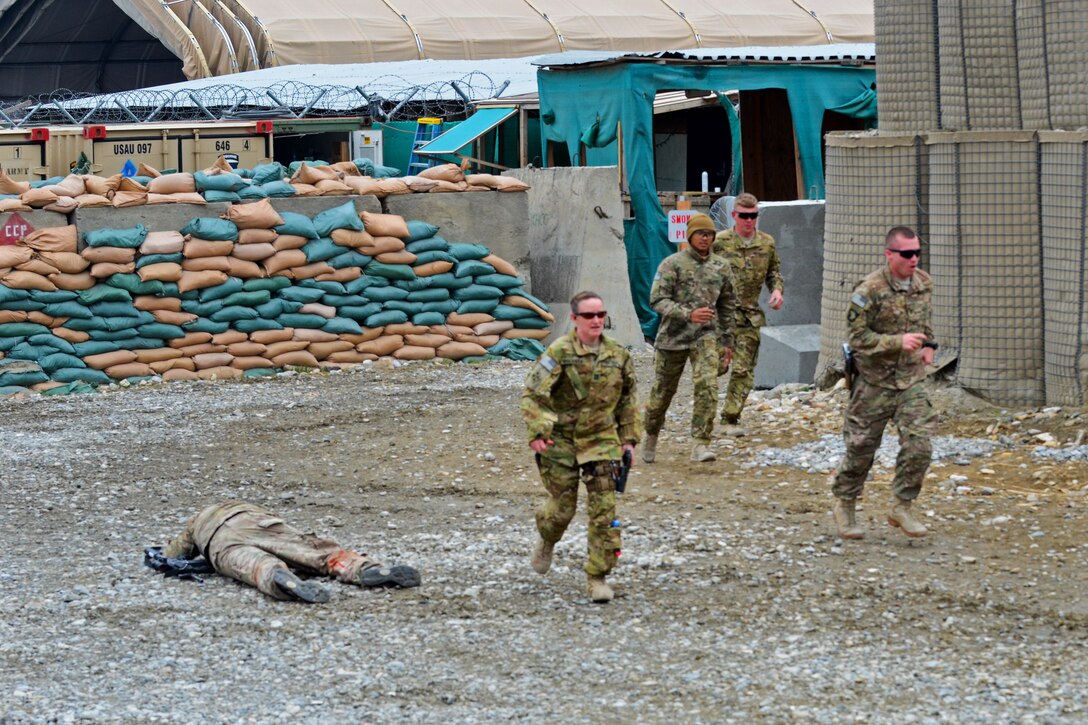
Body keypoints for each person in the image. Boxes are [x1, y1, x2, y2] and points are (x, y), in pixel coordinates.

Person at [521, 290, 641, 603]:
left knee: (605, 513)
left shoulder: (618, 355)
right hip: (561, 442)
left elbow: (629, 399)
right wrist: (538, 430)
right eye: (589, 315)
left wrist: (629, 439)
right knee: (562, 510)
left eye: (601, 314)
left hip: (602, 442)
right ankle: (547, 535)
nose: (596, 320)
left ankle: (597, 576)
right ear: (575, 319)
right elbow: (534, 395)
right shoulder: (559, 352)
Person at [831, 226, 937, 540]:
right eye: (907, 254)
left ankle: (902, 505)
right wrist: (896, 342)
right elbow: (857, 339)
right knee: (861, 448)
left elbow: (924, 323)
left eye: (917, 252)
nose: (914, 259)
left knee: (920, 445)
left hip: (911, 381)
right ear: (889, 254)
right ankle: (845, 501)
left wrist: (929, 346)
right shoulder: (869, 290)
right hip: (874, 382)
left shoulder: (923, 284)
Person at [158, 501, 421, 602]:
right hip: (260, 523)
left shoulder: (197, 521)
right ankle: (364, 569)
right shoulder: (244, 504)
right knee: (315, 553)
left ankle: (282, 580)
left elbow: (175, 555)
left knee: (256, 565)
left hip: (221, 542)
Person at [643, 213, 736, 463]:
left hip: (705, 337)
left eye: (709, 234)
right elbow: (657, 299)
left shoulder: (721, 266)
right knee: (662, 392)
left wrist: (728, 342)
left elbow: (727, 304)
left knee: (707, 385)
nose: (705, 238)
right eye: (700, 234)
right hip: (672, 338)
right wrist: (688, 314)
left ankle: (701, 443)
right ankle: (651, 434)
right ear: (690, 236)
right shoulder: (672, 264)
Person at [711, 193, 784, 436]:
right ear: (734, 216)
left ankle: (730, 418)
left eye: (753, 216)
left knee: (743, 370)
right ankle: (703, 413)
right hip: (721, 316)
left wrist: (776, 291)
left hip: (749, 316)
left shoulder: (766, 243)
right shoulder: (720, 242)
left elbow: (774, 272)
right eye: (744, 216)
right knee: (716, 366)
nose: (749, 221)